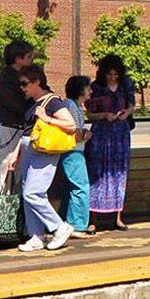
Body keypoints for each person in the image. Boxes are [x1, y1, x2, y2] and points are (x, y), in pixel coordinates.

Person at [0, 64, 77, 253]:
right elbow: (26, 131)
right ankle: (36, 236)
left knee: (33, 193)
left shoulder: (52, 102)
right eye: (21, 84)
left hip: (44, 151)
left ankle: (59, 226)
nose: (22, 87)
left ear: (37, 82)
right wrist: (15, 153)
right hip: (29, 148)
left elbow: (71, 124)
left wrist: (47, 118)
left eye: (25, 83)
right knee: (28, 193)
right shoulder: (32, 103)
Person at [85, 54, 135, 230]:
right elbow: (89, 114)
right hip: (101, 133)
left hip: (120, 133)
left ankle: (118, 216)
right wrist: (104, 115)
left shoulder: (126, 85)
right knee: (97, 172)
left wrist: (126, 113)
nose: (113, 77)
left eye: (115, 74)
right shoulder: (96, 88)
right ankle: (93, 219)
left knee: (119, 173)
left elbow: (131, 106)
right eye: (109, 74)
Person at [58, 74, 94, 234]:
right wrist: (85, 134)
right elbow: (74, 132)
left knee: (71, 188)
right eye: (88, 88)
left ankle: (66, 221)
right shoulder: (71, 106)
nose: (90, 91)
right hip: (72, 152)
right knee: (81, 187)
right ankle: (77, 224)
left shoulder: (77, 106)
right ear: (80, 90)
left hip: (76, 150)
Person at [0, 39, 35, 164]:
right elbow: (13, 103)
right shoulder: (4, 78)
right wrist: (32, 108)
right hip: (10, 127)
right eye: (29, 56)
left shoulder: (28, 76)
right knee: (6, 166)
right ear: (18, 59)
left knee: (22, 169)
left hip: (24, 128)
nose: (32, 60)